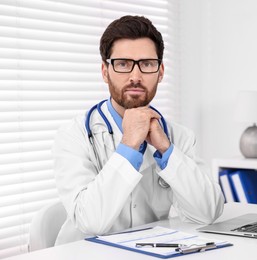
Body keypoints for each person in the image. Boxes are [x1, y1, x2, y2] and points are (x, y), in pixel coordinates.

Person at [52, 15, 224, 245]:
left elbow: (208, 212)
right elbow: (90, 222)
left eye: (146, 64)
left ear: (160, 71)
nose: (135, 76)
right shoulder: (74, 136)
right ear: (105, 71)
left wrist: (166, 150)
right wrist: (129, 146)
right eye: (123, 64)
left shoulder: (178, 137)